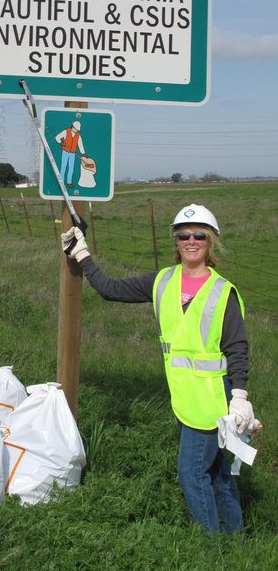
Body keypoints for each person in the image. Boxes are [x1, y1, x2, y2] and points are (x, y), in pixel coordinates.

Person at [61, 203, 254, 535]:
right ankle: (234, 540)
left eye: (199, 235)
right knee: (218, 472)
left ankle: (208, 545)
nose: (191, 241)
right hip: (185, 395)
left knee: (193, 473)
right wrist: (82, 254)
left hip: (214, 399)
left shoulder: (223, 292)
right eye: (183, 235)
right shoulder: (163, 281)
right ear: (176, 242)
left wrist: (239, 396)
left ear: (210, 242)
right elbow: (110, 289)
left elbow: (237, 348)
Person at [55, 120, 87, 188]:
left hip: (73, 153)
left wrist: (83, 153)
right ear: (73, 127)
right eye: (76, 129)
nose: (77, 130)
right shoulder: (66, 131)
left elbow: (80, 144)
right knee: (63, 167)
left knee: (71, 168)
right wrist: (61, 142)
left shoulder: (78, 135)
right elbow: (57, 137)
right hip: (65, 152)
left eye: (78, 130)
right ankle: (61, 182)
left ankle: (69, 182)